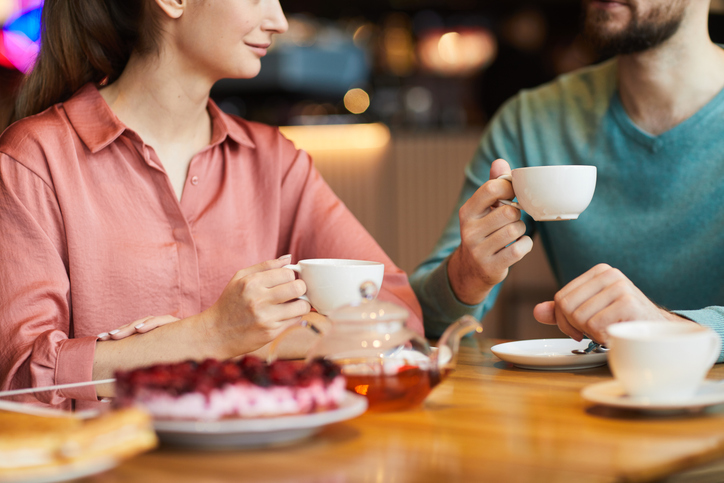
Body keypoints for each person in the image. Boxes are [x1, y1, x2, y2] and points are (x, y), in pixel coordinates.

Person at [0, 0, 422, 410]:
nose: (278, 21)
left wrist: (246, 342)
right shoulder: (35, 159)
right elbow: (20, 377)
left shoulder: (274, 160)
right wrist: (212, 335)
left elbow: (397, 318)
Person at [410, 0, 724, 358]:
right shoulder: (531, 120)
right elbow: (421, 320)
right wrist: (468, 274)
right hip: (588, 403)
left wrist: (670, 331)